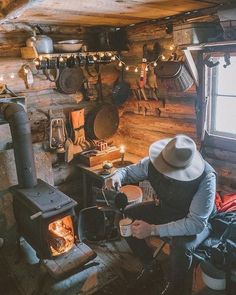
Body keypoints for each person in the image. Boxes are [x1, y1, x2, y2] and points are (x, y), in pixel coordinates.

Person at [105, 134, 216, 295]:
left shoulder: (206, 178)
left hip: (197, 222)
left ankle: (176, 288)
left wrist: (152, 229)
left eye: (171, 171)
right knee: (128, 216)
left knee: (181, 247)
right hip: (167, 209)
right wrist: (117, 175)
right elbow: (128, 171)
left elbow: (196, 223)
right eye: (164, 167)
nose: (164, 174)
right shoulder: (153, 162)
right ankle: (151, 265)